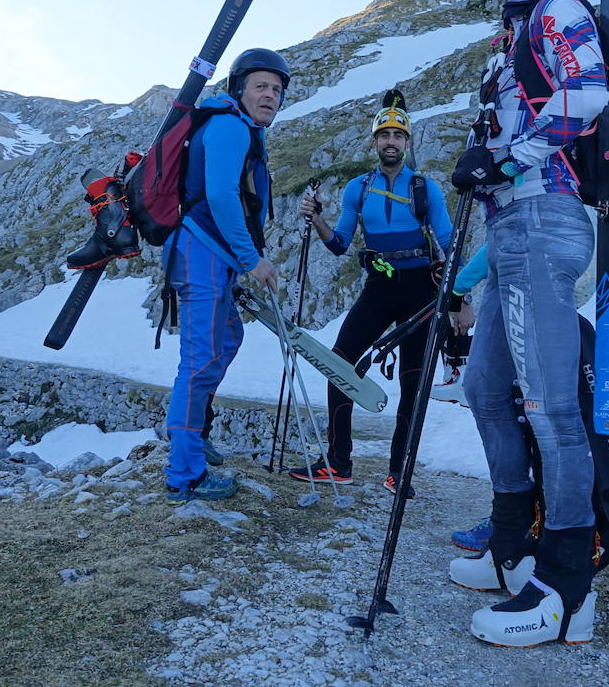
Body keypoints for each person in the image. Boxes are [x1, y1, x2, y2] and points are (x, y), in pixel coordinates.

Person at [447, 0, 609, 647]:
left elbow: (586, 95)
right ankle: (512, 547)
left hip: (546, 218)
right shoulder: (513, 29)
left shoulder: (556, 12)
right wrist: (486, 164)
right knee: (484, 389)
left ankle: (568, 586)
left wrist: (506, 158)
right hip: (512, 222)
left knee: (549, 407)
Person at [288, 95, 454, 497]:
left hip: (421, 289)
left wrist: (459, 294)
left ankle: (400, 472)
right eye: (384, 135)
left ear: (408, 143)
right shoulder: (357, 189)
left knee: (413, 384)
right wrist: (318, 219)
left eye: (398, 135)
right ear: (374, 143)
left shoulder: (425, 189)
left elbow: (449, 241)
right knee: (339, 363)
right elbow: (340, 243)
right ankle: (338, 462)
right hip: (378, 286)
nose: (391, 142)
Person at [163, 48, 288, 506]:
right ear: (239, 89)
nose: (270, 95)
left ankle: (193, 437)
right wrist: (252, 260)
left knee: (226, 339)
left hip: (210, 256)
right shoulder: (231, 126)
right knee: (198, 360)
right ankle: (184, 474)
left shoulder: (239, 127)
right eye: (261, 86)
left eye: (277, 90)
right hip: (201, 253)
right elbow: (219, 195)